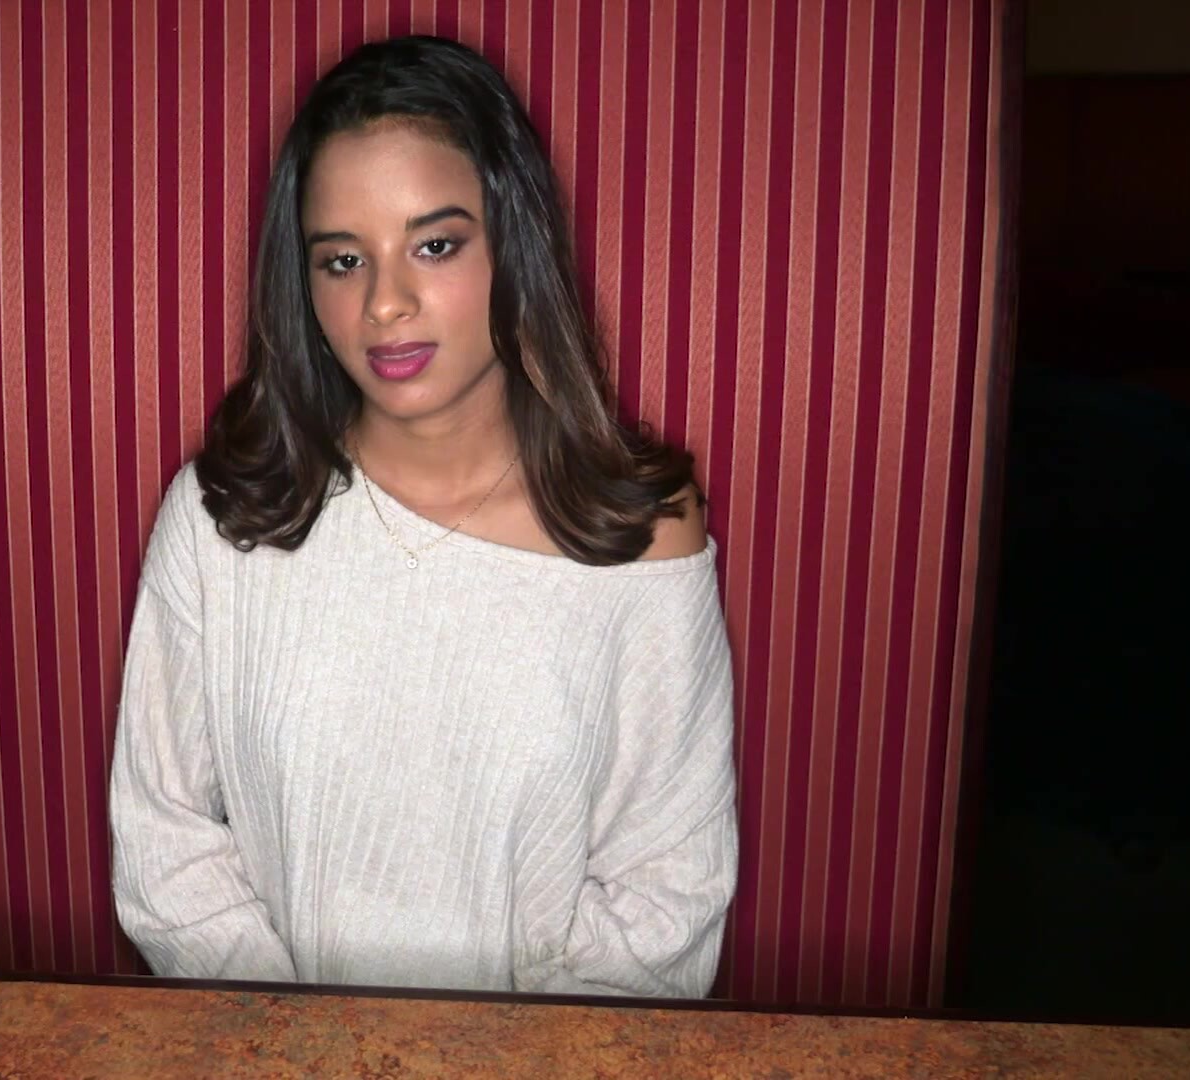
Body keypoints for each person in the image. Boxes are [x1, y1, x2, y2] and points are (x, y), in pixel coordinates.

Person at [108, 35, 737, 998]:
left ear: (512, 242)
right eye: (342, 260)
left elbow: (666, 898)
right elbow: (167, 857)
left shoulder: (643, 533)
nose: (385, 304)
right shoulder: (219, 522)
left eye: (435, 245)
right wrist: (305, 1047)